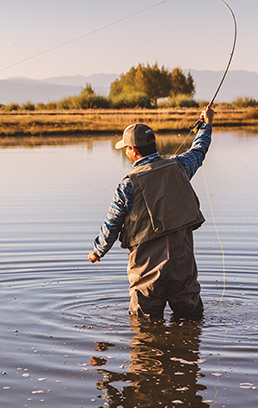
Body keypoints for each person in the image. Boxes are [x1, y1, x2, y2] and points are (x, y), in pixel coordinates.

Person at [88, 105, 214, 320]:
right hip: (183, 267)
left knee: (144, 327)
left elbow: (111, 227)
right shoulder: (180, 166)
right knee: (191, 321)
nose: (126, 152)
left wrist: (97, 252)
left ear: (133, 150)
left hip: (147, 271)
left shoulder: (127, 186)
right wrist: (207, 124)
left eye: (126, 148)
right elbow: (199, 150)